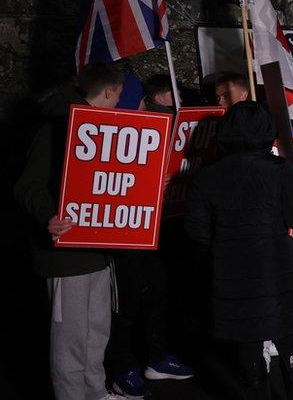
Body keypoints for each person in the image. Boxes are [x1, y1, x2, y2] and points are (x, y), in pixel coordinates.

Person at [186, 101, 293, 399]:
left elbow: (197, 232)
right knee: (289, 344)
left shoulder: (206, 175)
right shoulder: (279, 170)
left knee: (248, 349)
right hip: (275, 270)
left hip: (231, 273)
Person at [14, 63, 123, 400]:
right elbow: (26, 186)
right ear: (108, 92)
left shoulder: (104, 129)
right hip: (66, 256)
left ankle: (95, 392)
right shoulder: (56, 127)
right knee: (70, 340)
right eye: (119, 94)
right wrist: (50, 216)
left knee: (97, 332)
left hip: (98, 253)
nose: (120, 100)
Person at [107, 76, 194, 398]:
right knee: (125, 305)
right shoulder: (114, 134)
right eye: (140, 100)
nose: (145, 105)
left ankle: (157, 358)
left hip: (155, 234)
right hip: (124, 237)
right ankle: (122, 367)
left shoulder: (159, 127)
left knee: (158, 294)